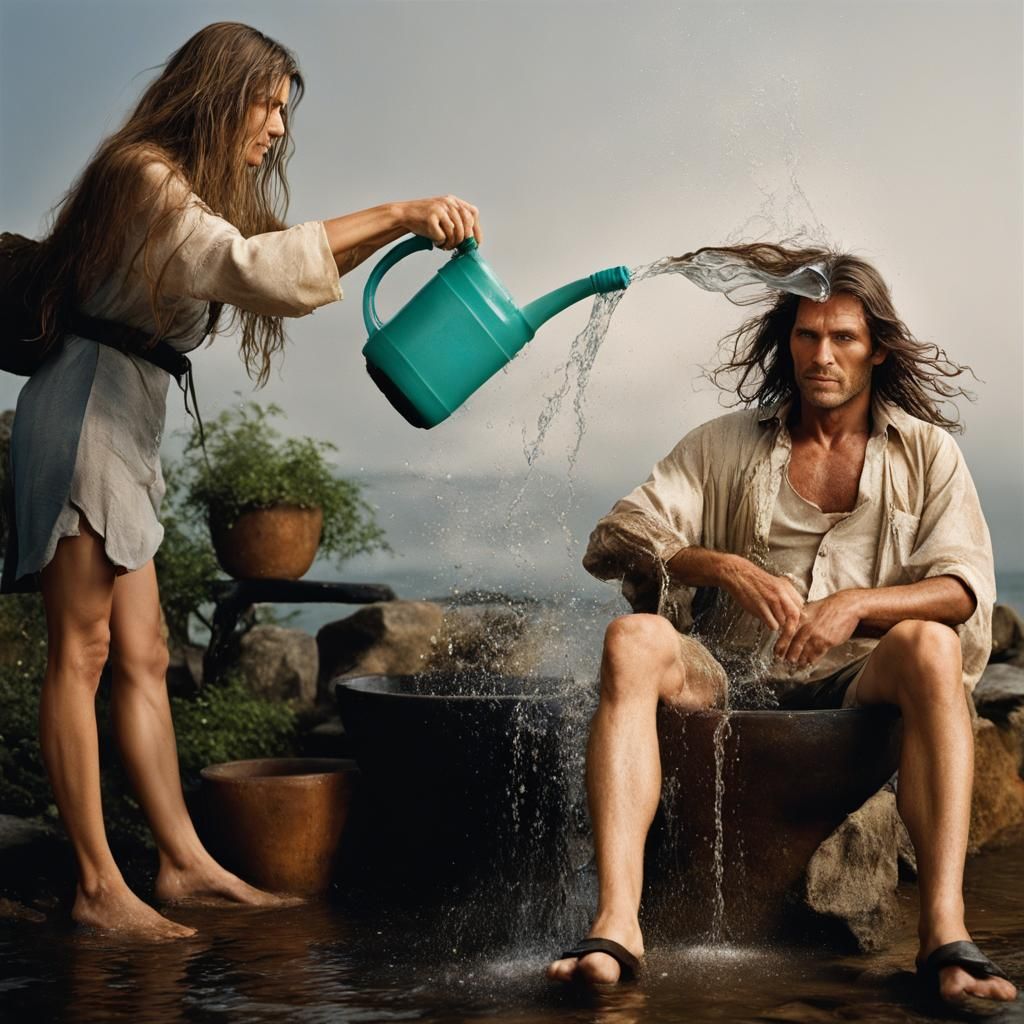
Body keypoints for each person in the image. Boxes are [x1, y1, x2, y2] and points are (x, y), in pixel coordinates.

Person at [3, 22, 483, 941]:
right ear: (219, 94)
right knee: (84, 653)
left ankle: (182, 864)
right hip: (83, 410)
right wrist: (399, 212)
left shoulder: (185, 194)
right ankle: (98, 886)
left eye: (281, 112)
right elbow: (255, 268)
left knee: (141, 657)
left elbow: (283, 273)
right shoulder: (141, 176)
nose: (274, 128)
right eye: (266, 105)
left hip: (126, 416)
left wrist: (398, 237)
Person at [547, 245, 1018, 1005]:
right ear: (786, 340)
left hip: (858, 687)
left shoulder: (928, 453)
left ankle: (946, 935)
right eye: (807, 336)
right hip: (728, 676)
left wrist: (860, 604)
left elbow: (964, 591)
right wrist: (722, 566)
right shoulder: (725, 443)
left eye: (843, 339)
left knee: (930, 643)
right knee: (630, 639)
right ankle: (616, 926)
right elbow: (616, 538)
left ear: (877, 350)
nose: (821, 356)